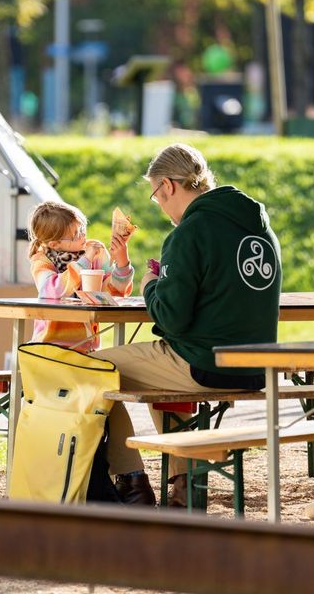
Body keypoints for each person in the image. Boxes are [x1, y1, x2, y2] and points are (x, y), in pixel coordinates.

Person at [93, 144, 282, 507]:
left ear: (167, 186)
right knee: (161, 380)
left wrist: (150, 285)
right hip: (256, 367)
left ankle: (132, 481)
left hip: (204, 363)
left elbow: (171, 318)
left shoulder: (189, 232)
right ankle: (185, 488)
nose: (161, 206)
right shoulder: (260, 227)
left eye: (156, 196)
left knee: (93, 370)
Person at [27, 201, 134, 353]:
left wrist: (123, 263)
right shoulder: (42, 261)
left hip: (88, 346)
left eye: (82, 228)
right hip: (49, 346)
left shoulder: (96, 251)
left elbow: (113, 293)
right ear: (54, 244)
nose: (83, 235)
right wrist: (84, 261)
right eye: (76, 234)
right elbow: (52, 291)